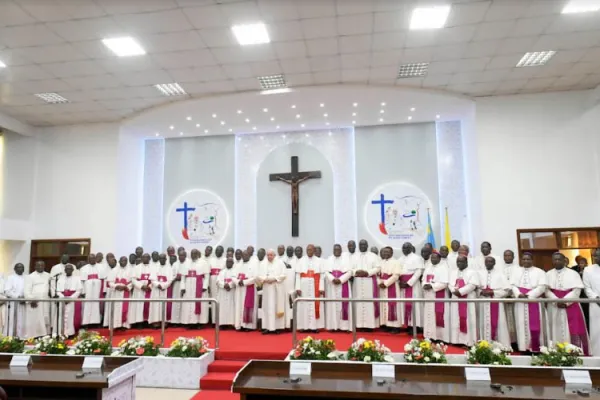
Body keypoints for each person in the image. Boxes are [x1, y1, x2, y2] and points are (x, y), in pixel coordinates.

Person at [546, 253, 590, 355]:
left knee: (573, 328)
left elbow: (577, 290)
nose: (557, 262)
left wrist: (565, 302)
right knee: (554, 328)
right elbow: (547, 290)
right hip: (554, 306)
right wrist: (556, 300)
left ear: (564, 261)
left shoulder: (573, 273)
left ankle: (574, 351)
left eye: (559, 260)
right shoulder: (548, 274)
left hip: (571, 305)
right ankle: (556, 352)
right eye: (555, 260)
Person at [511, 253, 547, 352]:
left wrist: (529, 295)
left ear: (532, 260)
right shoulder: (516, 271)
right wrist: (518, 294)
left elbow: (542, 287)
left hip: (534, 301)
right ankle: (523, 347)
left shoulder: (540, 272)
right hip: (520, 302)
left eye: (528, 259)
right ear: (521, 260)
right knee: (520, 324)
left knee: (536, 325)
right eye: (524, 259)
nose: (526, 261)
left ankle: (536, 348)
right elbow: (513, 285)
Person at [477, 256, 511, 348]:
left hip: (495, 301)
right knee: (482, 321)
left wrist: (493, 292)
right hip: (483, 302)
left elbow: (507, 290)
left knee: (498, 322)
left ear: (494, 263)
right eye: (487, 262)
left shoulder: (500, 274)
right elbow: (475, 287)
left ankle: (500, 345)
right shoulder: (479, 273)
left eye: (490, 262)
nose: (488, 263)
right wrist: (481, 291)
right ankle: (483, 343)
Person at [449, 255, 478, 346]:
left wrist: (461, 292)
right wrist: (454, 291)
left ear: (466, 262)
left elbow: (473, 285)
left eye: (461, 262)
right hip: (456, 298)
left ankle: (468, 341)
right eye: (458, 262)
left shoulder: (472, 272)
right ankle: (456, 340)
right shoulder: (453, 272)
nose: (459, 263)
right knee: (455, 318)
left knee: (468, 319)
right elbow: (450, 284)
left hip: (467, 298)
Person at [295, 244, 325, 332]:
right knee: (304, 305)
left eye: (311, 250)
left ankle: (314, 327)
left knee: (314, 304)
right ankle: (303, 326)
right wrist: (298, 287)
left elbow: (322, 275)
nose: (309, 251)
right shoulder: (301, 260)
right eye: (308, 250)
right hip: (304, 285)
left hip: (315, 284)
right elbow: (297, 275)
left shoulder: (320, 261)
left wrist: (321, 288)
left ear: (314, 250)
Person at [422, 252, 450, 343]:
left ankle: (440, 336)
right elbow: (423, 279)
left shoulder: (444, 268)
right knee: (428, 314)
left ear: (439, 259)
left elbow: (445, 283)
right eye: (432, 258)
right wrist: (424, 285)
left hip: (438, 295)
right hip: (428, 295)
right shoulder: (428, 267)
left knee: (439, 315)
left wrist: (432, 286)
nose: (433, 259)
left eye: (435, 258)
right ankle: (428, 335)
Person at [257, 249, 286, 334]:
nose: (269, 256)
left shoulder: (280, 263)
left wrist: (274, 279)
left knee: (276, 306)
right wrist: (265, 279)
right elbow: (259, 275)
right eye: (268, 255)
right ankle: (267, 327)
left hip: (276, 287)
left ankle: (277, 327)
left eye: (271, 255)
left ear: (274, 255)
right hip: (266, 288)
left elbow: (284, 274)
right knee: (267, 307)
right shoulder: (262, 264)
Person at [325, 244, 352, 332]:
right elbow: (326, 272)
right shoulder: (329, 259)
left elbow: (350, 272)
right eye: (335, 249)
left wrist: (340, 280)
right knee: (332, 305)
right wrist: (332, 279)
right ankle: (333, 326)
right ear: (333, 250)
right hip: (332, 286)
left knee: (344, 304)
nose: (336, 251)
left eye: (338, 249)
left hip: (343, 284)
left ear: (341, 250)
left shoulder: (346, 259)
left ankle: (344, 327)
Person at [180, 249, 210, 328]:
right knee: (188, 304)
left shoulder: (203, 263)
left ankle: (199, 322)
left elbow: (207, 277)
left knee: (200, 303)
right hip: (188, 288)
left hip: (199, 287)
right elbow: (183, 277)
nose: (193, 255)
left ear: (198, 254)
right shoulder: (186, 263)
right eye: (192, 254)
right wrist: (182, 287)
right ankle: (189, 322)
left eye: (195, 254)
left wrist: (205, 286)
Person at [398, 242, 424, 330]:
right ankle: (407, 324)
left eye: (406, 248)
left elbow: (419, 271)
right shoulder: (400, 259)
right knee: (403, 305)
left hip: (413, 286)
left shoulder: (417, 258)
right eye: (403, 248)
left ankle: (414, 326)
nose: (404, 250)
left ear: (410, 248)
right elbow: (398, 271)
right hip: (402, 285)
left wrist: (409, 283)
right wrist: (399, 281)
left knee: (414, 306)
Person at [24, 261, 50, 338]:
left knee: (45, 319)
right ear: (35, 266)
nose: (40, 267)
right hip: (35, 302)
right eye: (38, 265)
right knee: (35, 320)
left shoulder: (48, 275)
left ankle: (45, 337)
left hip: (45, 301)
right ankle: (33, 337)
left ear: (44, 266)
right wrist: (31, 300)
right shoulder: (30, 276)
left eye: (42, 265)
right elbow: (26, 291)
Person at [378, 247, 402, 332]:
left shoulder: (396, 262)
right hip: (382, 286)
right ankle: (387, 324)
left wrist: (385, 284)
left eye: (387, 252)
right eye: (384, 252)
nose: (385, 254)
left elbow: (396, 276)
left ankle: (395, 326)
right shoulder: (381, 262)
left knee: (393, 305)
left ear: (392, 253)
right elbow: (379, 275)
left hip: (392, 286)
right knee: (384, 305)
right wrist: (380, 282)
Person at [56, 264, 82, 337]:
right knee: (62, 316)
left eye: (70, 269)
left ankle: (70, 333)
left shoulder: (77, 278)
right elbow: (58, 291)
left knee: (70, 317)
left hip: (72, 300)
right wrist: (63, 298)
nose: (68, 270)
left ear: (73, 270)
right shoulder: (60, 278)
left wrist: (70, 298)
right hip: (62, 299)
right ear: (64, 270)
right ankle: (61, 332)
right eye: (67, 269)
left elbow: (78, 290)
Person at [234, 251, 258, 331]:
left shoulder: (253, 265)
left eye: (246, 255)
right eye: (243, 255)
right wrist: (237, 281)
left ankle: (248, 326)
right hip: (239, 289)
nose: (244, 256)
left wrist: (244, 282)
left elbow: (255, 278)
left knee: (247, 306)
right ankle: (239, 325)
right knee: (239, 306)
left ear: (249, 255)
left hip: (248, 288)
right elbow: (233, 276)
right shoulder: (237, 265)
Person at [107, 256, 132, 331]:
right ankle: (115, 325)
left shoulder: (130, 271)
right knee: (115, 309)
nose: (123, 262)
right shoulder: (114, 270)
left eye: (125, 261)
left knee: (125, 309)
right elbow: (110, 282)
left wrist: (125, 287)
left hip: (125, 292)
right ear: (119, 261)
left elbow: (132, 282)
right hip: (116, 293)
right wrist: (116, 286)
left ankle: (124, 325)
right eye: (122, 261)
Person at [130, 253, 156, 326]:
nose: (145, 259)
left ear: (149, 258)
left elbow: (155, 279)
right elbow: (133, 279)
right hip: (139, 290)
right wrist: (141, 286)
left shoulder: (153, 267)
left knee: (150, 305)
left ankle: (149, 322)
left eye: (147, 257)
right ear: (141, 258)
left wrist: (150, 286)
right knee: (139, 305)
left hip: (150, 290)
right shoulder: (136, 267)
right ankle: (139, 322)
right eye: (144, 257)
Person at [80, 254, 105, 328]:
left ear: (95, 259)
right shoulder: (84, 268)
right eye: (90, 259)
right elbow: (82, 281)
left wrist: (103, 290)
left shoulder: (101, 267)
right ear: (88, 260)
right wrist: (83, 291)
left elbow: (103, 279)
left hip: (97, 290)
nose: (92, 260)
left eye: (93, 258)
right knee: (87, 305)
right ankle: (86, 322)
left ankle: (96, 322)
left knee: (96, 305)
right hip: (88, 290)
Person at [148, 254, 172, 328]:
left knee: (163, 305)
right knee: (155, 305)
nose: (162, 260)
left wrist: (163, 286)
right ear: (159, 259)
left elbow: (170, 280)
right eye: (160, 258)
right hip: (156, 289)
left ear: (165, 259)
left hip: (165, 290)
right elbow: (152, 279)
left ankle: (163, 322)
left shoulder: (169, 268)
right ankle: (156, 322)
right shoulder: (155, 267)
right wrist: (158, 285)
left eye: (163, 258)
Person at [583, 249, 600, 355]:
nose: (597, 257)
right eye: (595, 256)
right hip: (595, 303)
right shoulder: (588, 270)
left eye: (599, 255)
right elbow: (587, 288)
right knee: (596, 330)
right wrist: (596, 297)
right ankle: (597, 354)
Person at [501, 250, 519, 346]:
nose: (507, 257)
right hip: (503, 297)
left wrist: (511, 294)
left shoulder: (518, 269)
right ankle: (505, 341)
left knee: (515, 319)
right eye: (505, 255)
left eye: (509, 255)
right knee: (504, 320)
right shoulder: (500, 269)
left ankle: (515, 341)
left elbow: (517, 284)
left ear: (513, 257)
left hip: (514, 297)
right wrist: (504, 294)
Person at [4, 263, 26, 337]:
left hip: (23, 303)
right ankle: (10, 338)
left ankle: (21, 337)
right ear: (14, 269)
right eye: (18, 267)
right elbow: (7, 291)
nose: (20, 269)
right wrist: (18, 297)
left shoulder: (26, 277)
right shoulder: (10, 277)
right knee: (12, 321)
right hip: (13, 303)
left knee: (22, 321)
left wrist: (25, 298)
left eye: (22, 267)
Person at [216, 257, 238, 328]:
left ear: (233, 263)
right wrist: (224, 285)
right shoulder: (222, 271)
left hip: (231, 292)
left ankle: (231, 323)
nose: (228, 263)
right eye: (227, 262)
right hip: (223, 292)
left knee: (231, 307)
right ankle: (222, 324)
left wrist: (230, 285)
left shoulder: (235, 271)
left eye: (230, 262)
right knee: (222, 307)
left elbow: (236, 281)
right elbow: (218, 281)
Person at [169, 251, 189, 325]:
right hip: (176, 285)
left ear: (185, 256)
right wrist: (176, 278)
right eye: (180, 255)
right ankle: (175, 321)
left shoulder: (189, 263)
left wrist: (183, 277)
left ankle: (184, 321)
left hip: (186, 284)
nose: (181, 257)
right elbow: (171, 275)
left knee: (184, 302)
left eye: (183, 255)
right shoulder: (175, 264)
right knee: (176, 301)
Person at [209, 246, 225, 324]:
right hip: (212, 282)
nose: (218, 252)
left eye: (220, 251)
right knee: (213, 300)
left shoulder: (225, 260)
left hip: (222, 282)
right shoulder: (211, 260)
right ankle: (214, 321)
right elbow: (208, 272)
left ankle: (222, 321)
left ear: (222, 252)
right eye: (217, 251)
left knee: (222, 300)